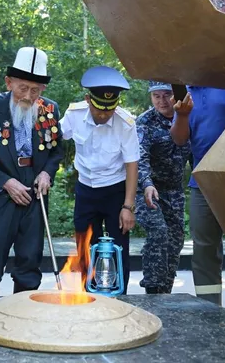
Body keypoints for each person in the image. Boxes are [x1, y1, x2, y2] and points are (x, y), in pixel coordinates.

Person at [0, 46, 64, 296]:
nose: (28, 96)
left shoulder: (50, 110)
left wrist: (47, 173)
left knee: (30, 261)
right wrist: (6, 182)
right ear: (9, 82)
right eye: (23, 88)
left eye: (35, 90)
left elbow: (56, 151)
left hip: (35, 190)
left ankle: (24, 311)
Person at [170, 85, 225, 316]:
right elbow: (179, 139)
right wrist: (182, 115)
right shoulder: (185, 92)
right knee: (204, 249)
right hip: (202, 183)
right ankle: (209, 312)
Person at [60, 66, 139, 295]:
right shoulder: (74, 115)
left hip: (115, 190)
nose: (104, 115)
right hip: (85, 189)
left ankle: (120, 298)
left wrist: (128, 207)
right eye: (99, 109)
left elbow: (132, 164)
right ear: (88, 100)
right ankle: (87, 295)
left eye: (110, 109)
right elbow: (53, 137)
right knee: (84, 245)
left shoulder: (125, 123)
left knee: (119, 248)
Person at [135, 81, 191, 294]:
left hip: (174, 191)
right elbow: (139, 157)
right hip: (147, 189)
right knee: (158, 232)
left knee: (175, 240)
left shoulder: (187, 116)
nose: (162, 101)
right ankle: (152, 289)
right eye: (156, 96)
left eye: (166, 95)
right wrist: (147, 183)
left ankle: (164, 293)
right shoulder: (145, 121)